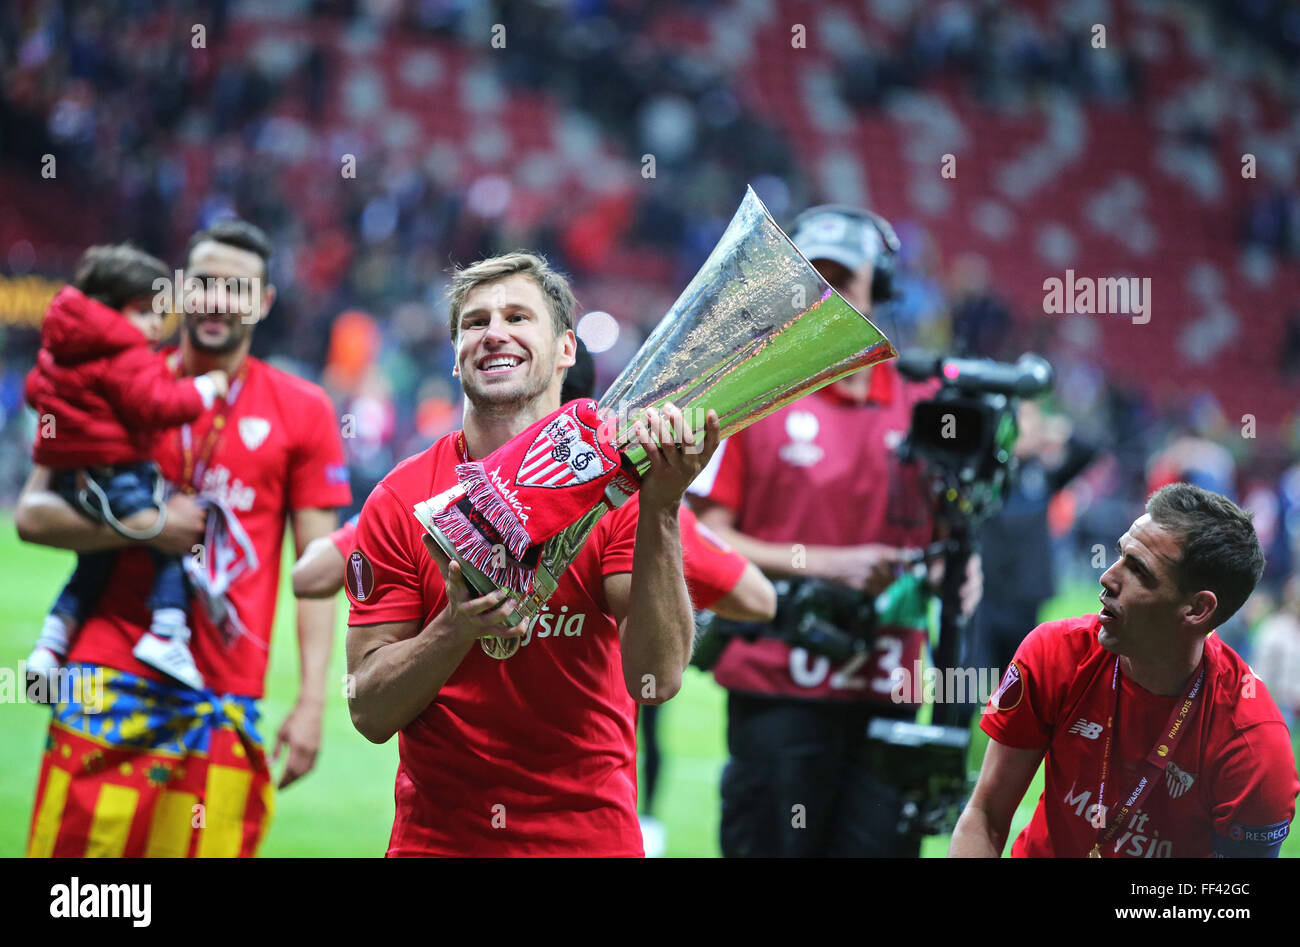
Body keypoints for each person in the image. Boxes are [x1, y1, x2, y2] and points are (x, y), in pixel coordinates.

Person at [344, 251, 719, 856]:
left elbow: (656, 679)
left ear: (567, 349)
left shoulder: (620, 487)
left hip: (588, 840)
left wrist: (663, 508)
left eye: (519, 317)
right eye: (475, 322)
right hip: (440, 843)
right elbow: (368, 711)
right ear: (455, 350)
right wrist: (457, 628)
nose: (495, 333)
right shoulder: (400, 498)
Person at [16, 220, 351, 858]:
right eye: (204, 283)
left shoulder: (304, 410)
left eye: (238, 287)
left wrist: (311, 703)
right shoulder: (114, 380)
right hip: (105, 674)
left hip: (222, 697)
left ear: (264, 303)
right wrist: (144, 527)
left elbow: (318, 571)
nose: (218, 299)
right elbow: (32, 513)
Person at [689, 204, 982, 858]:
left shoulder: (925, 397)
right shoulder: (752, 386)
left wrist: (956, 571)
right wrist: (829, 564)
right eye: (806, 279)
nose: (820, 297)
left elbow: (950, 532)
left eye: (840, 280)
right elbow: (707, 537)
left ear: (879, 293)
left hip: (889, 688)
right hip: (776, 681)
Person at [950, 483, 1299, 858]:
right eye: (1120, 555)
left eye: (1139, 571)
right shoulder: (1056, 653)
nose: (1108, 578)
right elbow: (985, 815)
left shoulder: (1251, 743)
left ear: (1197, 610)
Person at [24, 244, 231, 693]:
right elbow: (159, 405)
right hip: (118, 472)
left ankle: (49, 644)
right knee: (171, 539)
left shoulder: (64, 350)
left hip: (72, 477)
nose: (158, 326)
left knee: (93, 565)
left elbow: (34, 392)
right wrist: (206, 389)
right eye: (146, 312)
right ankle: (167, 631)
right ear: (109, 310)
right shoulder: (127, 353)